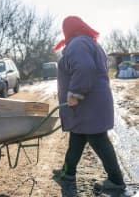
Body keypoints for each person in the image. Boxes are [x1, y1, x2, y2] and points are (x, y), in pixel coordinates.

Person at [53, 15, 126, 191]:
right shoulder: (87, 42)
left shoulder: (78, 43)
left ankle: (116, 181)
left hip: (88, 105)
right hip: (89, 106)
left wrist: (75, 93)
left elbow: (85, 68)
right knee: (77, 138)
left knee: (98, 139)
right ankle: (68, 173)